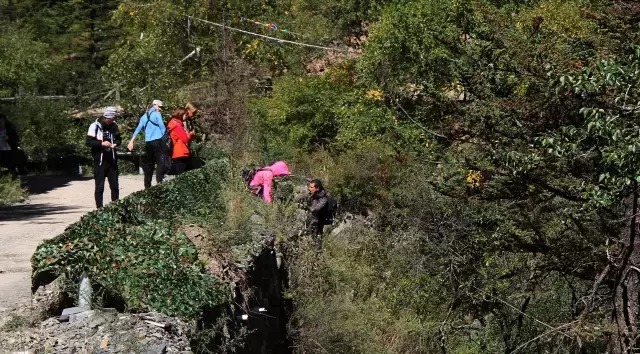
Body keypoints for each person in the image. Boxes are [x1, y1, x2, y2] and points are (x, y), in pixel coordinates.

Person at [127, 99, 168, 189]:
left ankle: (147, 186)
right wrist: (165, 138)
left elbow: (138, 129)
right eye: (160, 107)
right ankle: (160, 182)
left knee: (149, 164)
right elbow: (162, 126)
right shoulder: (157, 114)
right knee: (161, 162)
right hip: (158, 141)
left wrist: (131, 140)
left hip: (148, 143)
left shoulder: (144, 117)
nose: (161, 109)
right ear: (154, 105)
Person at [87, 106, 122, 208]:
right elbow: (88, 142)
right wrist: (102, 143)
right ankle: (99, 209)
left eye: (114, 119)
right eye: (112, 119)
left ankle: (115, 207)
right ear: (106, 118)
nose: (113, 121)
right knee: (100, 187)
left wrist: (115, 144)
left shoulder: (114, 125)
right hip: (100, 161)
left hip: (112, 160)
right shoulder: (95, 126)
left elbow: (119, 139)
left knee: (115, 186)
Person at [167, 108, 195, 175]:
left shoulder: (174, 123)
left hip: (178, 152)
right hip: (180, 152)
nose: (186, 116)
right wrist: (190, 134)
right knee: (182, 174)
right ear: (181, 114)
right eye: (185, 114)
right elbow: (185, 138)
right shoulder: (177, 125)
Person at [306, 178, 329, 251]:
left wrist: (308, 207)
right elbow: (301, 197)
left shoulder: (323, 198)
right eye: (309, 187)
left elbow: (316, 208)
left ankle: (318, 253)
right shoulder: (313, 194)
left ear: (317, 188)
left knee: (317, 240)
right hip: (313, 220)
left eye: (311, 187)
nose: (309, 188)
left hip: (319, 222)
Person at [0, 114, 19, 179]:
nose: (1, 122)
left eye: (2, 121)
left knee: (11, 166)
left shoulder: (9, 128)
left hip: (9, 150)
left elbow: (16, 138)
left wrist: (9, 138)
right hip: (0, 150)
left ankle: (14, 179)